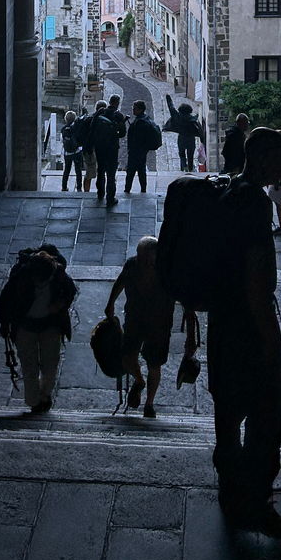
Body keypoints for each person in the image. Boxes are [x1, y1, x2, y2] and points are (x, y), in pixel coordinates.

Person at [207, 126, 281, 538]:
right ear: (263, 158)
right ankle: (258, 503)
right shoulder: (256, 205)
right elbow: (256, 279)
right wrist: (271, 339)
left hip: (222, 322)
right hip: (247, 325)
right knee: (265, 420)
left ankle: (231, 497)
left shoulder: (228, 193)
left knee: (227, 416)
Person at [0, 243, 78, 414]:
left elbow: (70, 290)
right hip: (26, 326)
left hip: (50, 325)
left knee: (50, 364)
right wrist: (4, 324)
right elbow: (6, 299)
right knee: (29, 366)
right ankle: (35, 401)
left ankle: (44, 397)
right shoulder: (21, 277)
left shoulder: (58, 274)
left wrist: (61, 305)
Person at [104, 236, 178, 416]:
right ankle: (139, 380)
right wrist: (111, 303)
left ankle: (149, 403)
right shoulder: (132, 265)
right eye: (140, 257)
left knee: (154, 363)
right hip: (135, 319)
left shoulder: (166, 271)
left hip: (159, 324)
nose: (143, 262)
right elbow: (120, 282)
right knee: (128, 357)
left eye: (147, 258)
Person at [124, 99, 161, 194]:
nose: (133, 110)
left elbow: (137, 138)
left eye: (134, 108)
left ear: (140, 109)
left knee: (131, 171)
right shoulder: (145, 118)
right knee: (141, 170)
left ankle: (128, 189)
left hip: (136, 151)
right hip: (142, 150)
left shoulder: (140, 122)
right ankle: (143, 189)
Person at [90, 99, 123, 205]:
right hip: (112, 148)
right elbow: (122, 133)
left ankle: (100, 193)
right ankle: (110, 198)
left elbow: (92, 127)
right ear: (117, 103)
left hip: (100, 147)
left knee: (100, 171)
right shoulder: (118, 115)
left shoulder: (101, 112)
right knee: (111, 174)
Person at [165, 94, 203, 172]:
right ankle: (190, 169)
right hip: (190, 139)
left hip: (181, 138)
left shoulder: (177, 116)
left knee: (181, 154)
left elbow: (171, 108)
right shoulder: (192, 119)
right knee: (190, 156)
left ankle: (184, 167)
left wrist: (168, 98)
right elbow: (198, 129)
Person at [59, 110, 83, 191]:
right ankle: (79, 187)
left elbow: (62, 140)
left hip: (67, 153)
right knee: (78, 170)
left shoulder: (63, 129)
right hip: (76, 152)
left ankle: (64, 186)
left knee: (66, 170)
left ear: (66, 119)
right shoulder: (76, 128)